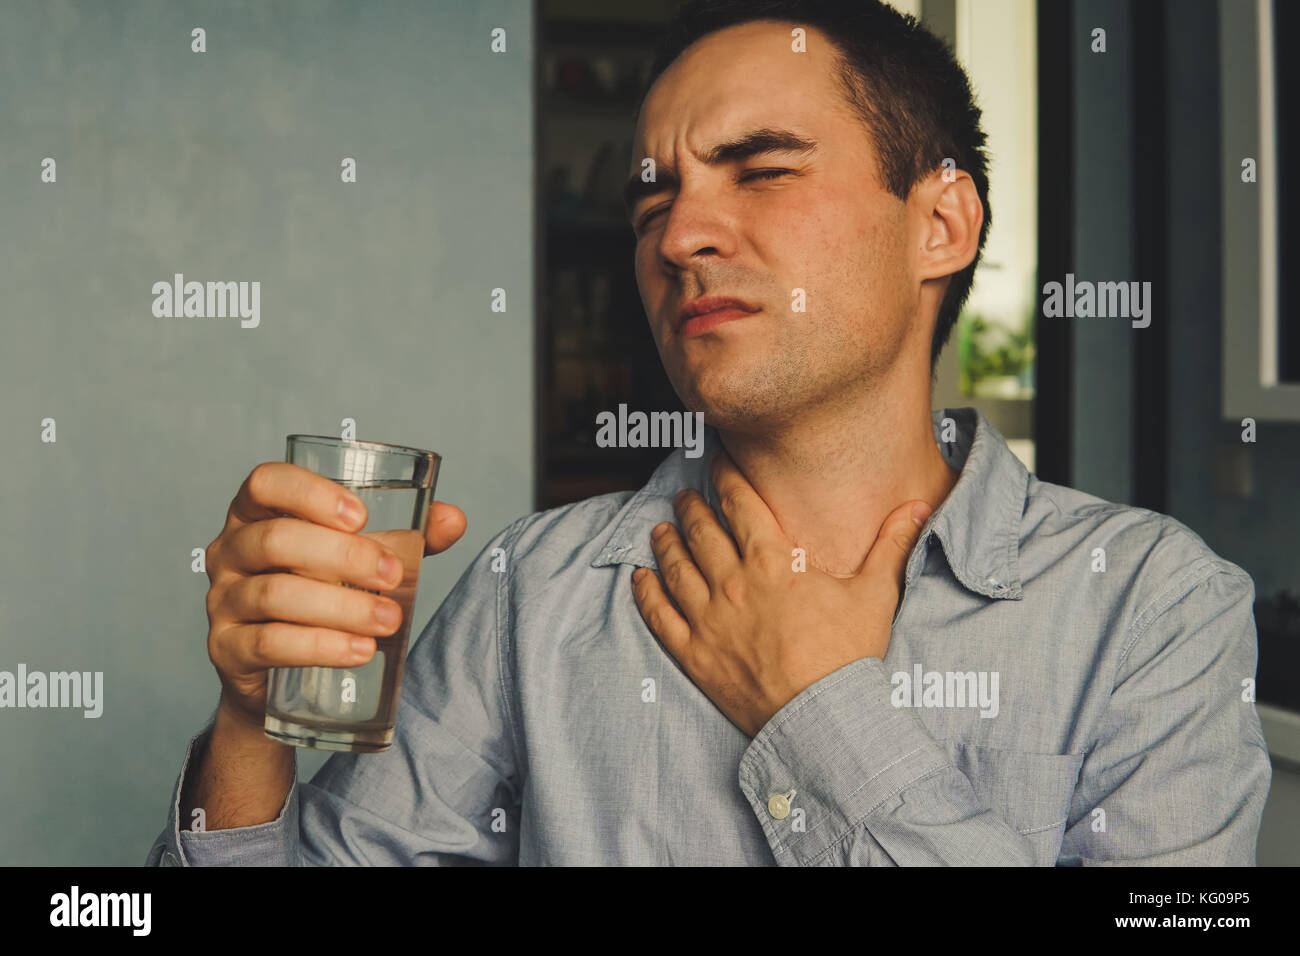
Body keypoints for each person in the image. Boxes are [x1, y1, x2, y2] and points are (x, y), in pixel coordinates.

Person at [148, 0, 1270, 866]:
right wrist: (250, 725)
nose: (679, 232)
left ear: (939, 221)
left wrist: (818, 709)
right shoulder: (527, 591)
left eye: (763, 171)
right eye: (652, 203)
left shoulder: (1156, 608)